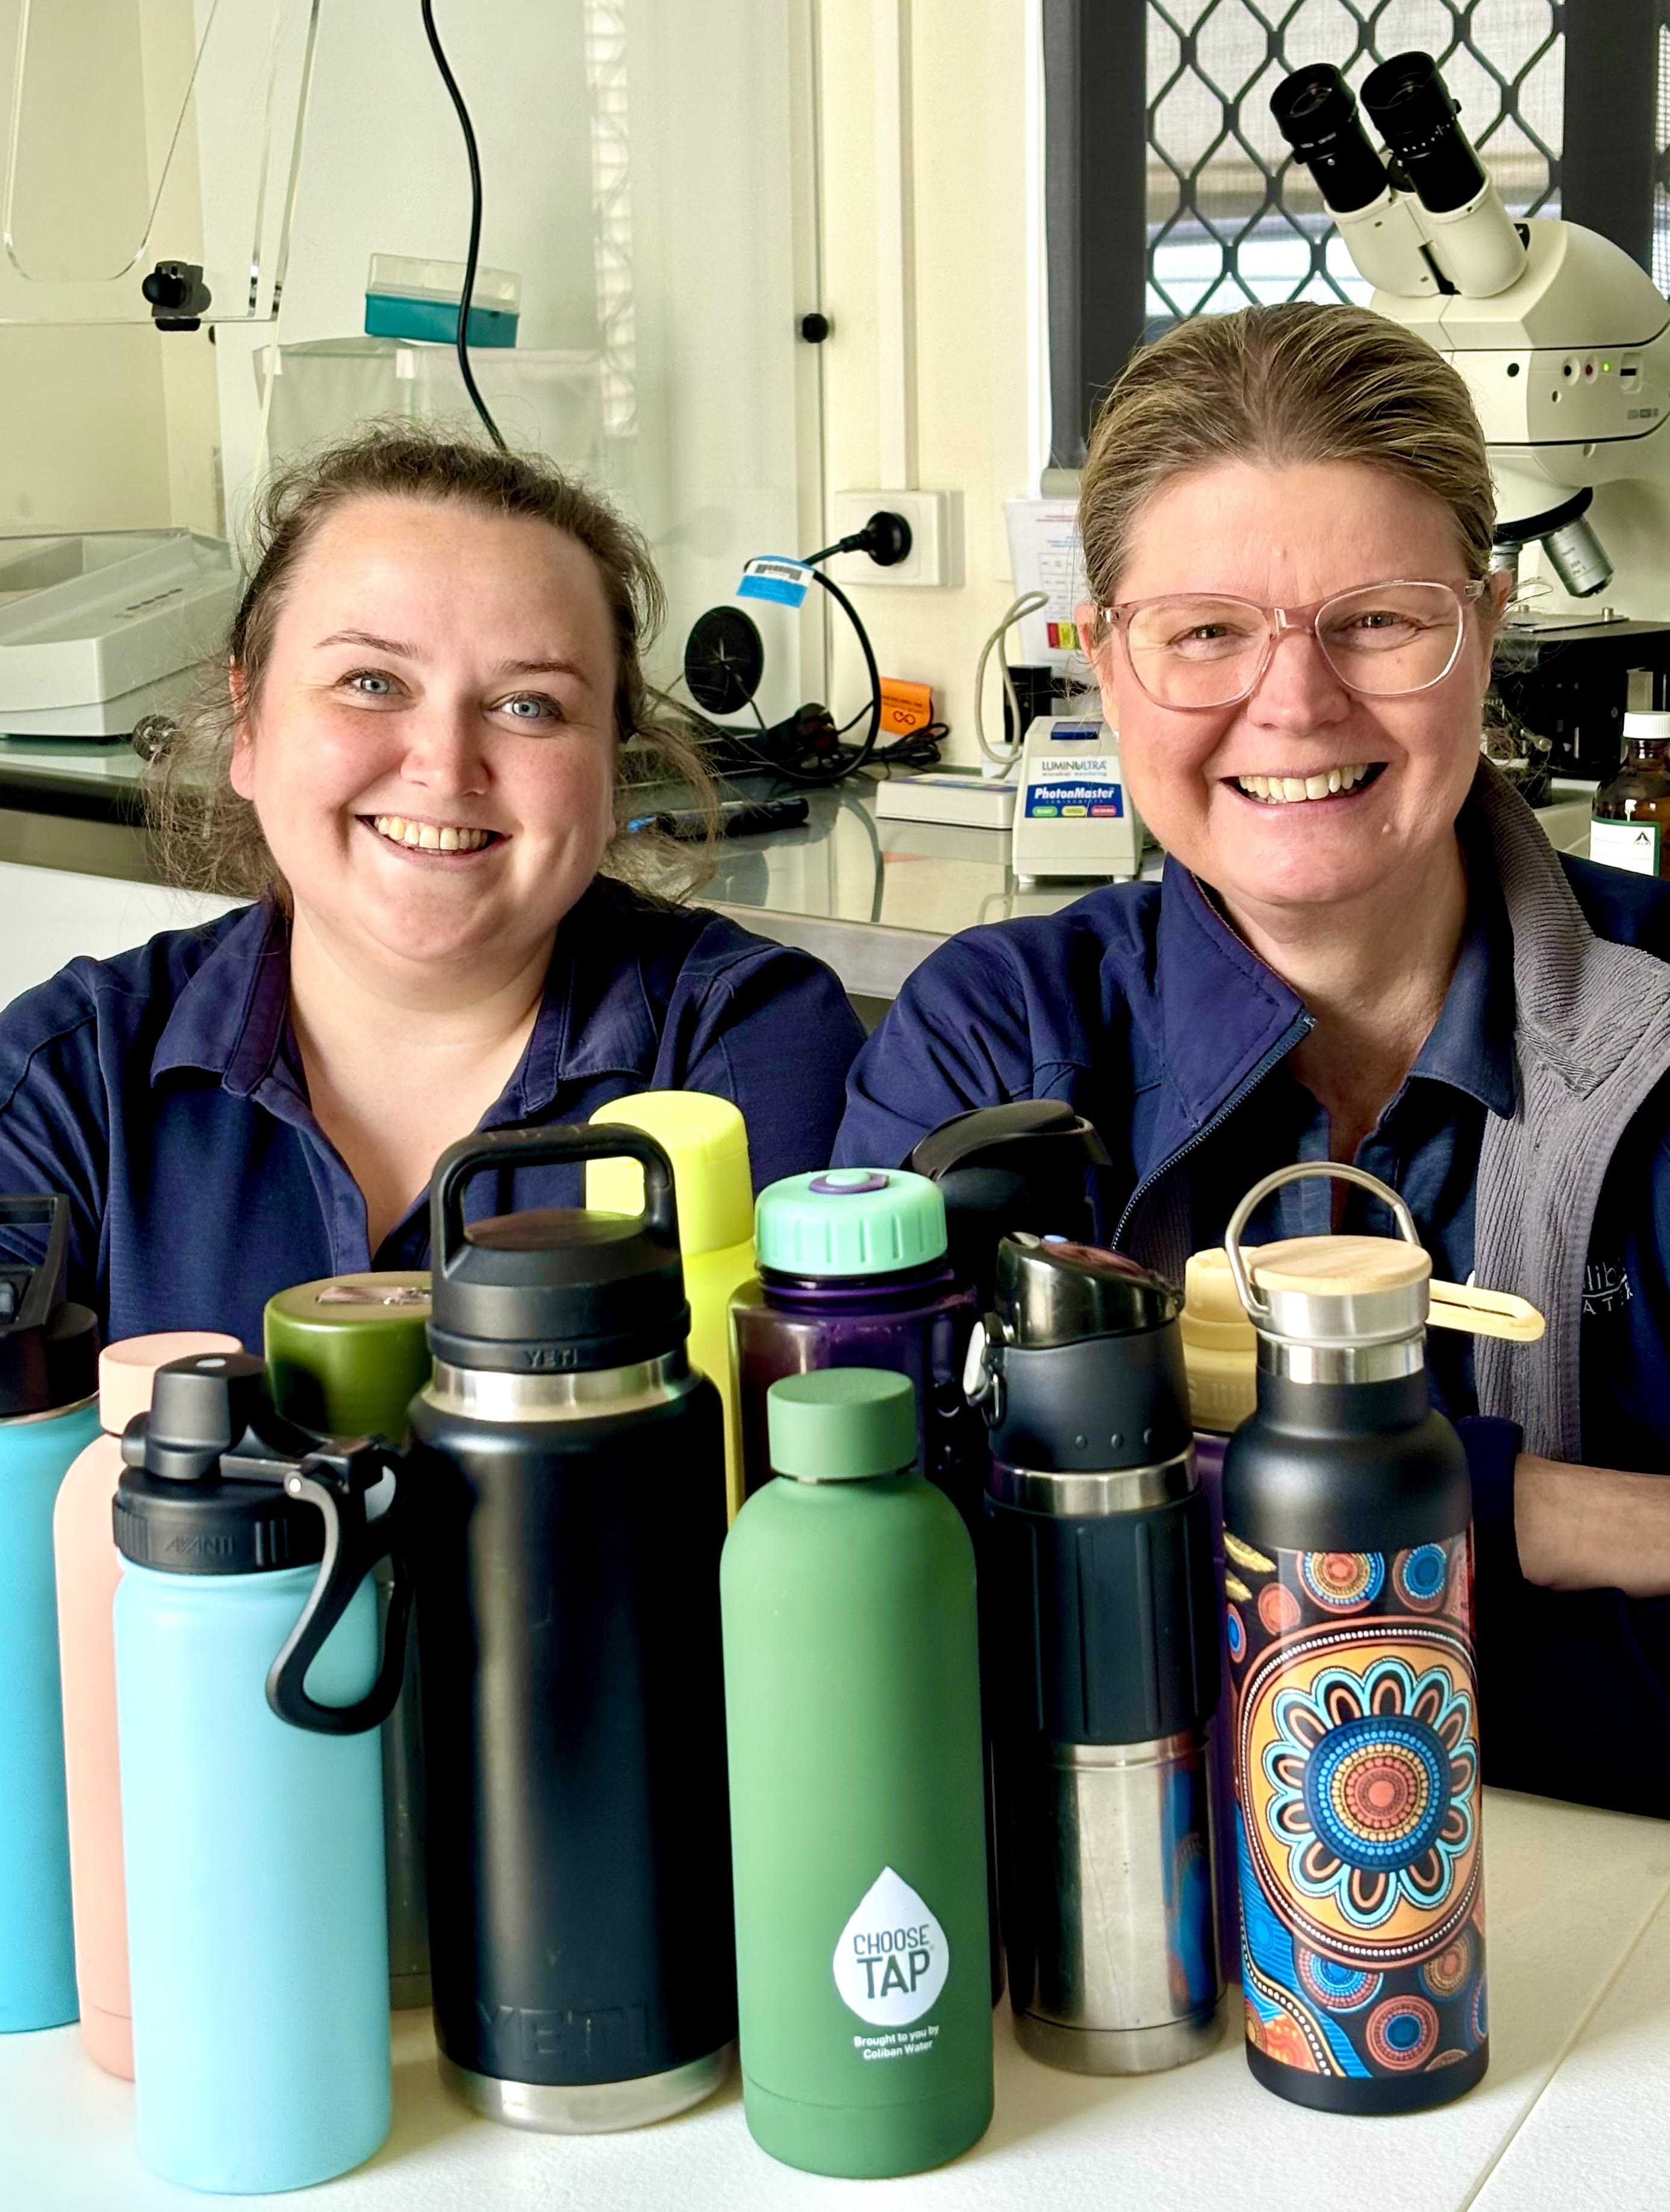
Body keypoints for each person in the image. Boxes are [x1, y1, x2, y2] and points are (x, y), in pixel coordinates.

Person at [836, 302, 1670, 1819]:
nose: (1292, 701)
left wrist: (1170, 1491)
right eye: (1206, 630)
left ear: (1484, 625)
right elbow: (903, 1564)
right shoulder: (995, 1037)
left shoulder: (1666, 1027)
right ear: (1101, 655)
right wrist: (1531, 1508)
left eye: (1377, 619)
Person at [0, 425, 862, 1351]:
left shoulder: (744, 1042)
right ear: (247, 727)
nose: (445, 766)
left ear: (613, 768)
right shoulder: (70, 1075)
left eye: (528, 705)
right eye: (371, 681)